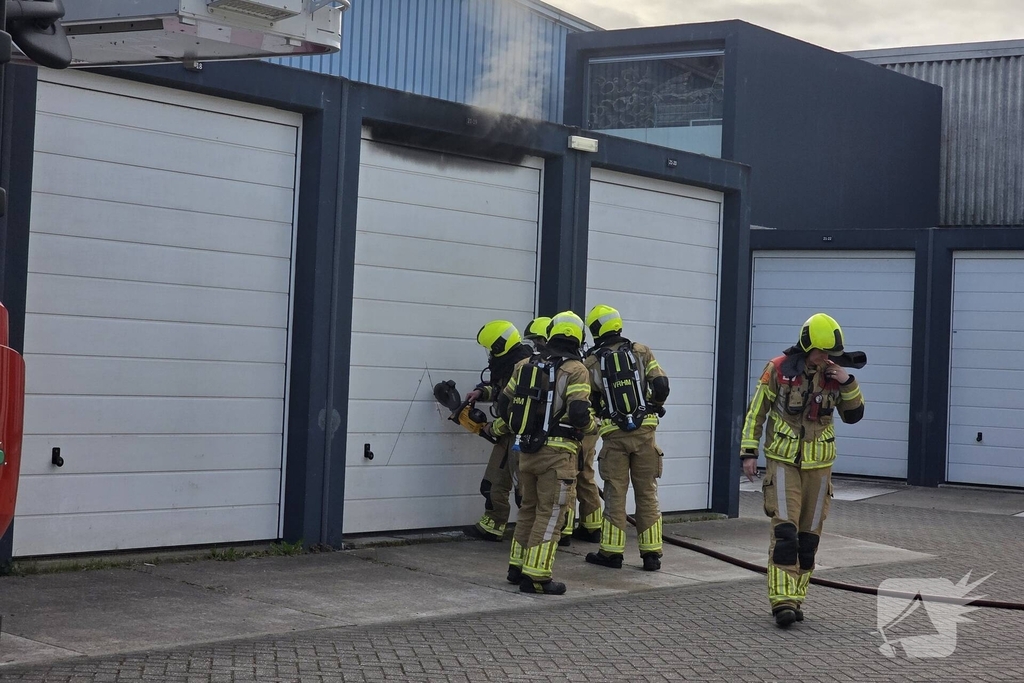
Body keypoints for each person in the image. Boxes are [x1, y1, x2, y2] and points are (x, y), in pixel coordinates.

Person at [740, 312, 865, 628]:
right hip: (783, 463)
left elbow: (854, 415)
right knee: (786, 534)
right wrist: (748, 452)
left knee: (809, 539)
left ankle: (796, 599)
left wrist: (847, 383)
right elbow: (757, 411)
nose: (825, 358)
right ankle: (781, 600)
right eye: (821, 352)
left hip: (820, 468)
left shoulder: (835, 375)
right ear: (807, 345)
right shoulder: (778, 370)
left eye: (830, 353)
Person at [491, 311, 595, 594]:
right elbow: (577, 411)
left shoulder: (525, 364)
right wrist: (592, 424)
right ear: (577, 338)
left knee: (528, 509)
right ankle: (537, 577)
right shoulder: (576, 369)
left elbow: (503, 404)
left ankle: (517, 567)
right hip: (558, 456)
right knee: (551, 515)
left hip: (526, 451)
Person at [583, 305, 670, 572]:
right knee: (647, 494)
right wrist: (654, 405)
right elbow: (661, 385)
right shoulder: (641, 351)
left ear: (596, 329)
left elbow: (585, 400)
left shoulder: (590, 362)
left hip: (614, 436)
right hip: (645, 434)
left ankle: (611, 553)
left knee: (615, 494)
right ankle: (652, 554)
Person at [463, 320, 534, 542]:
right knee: (492, 483)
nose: (488, 354)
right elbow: (502, 390)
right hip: (507, 435)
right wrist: (481, 393)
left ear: (499, 346)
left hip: (523, 437)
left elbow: (520, 411)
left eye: (490, 348)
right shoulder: (508, 364)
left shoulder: (524, 367)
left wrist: (492, 428)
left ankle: (532, 535)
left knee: (526, 492)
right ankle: (492, 526)